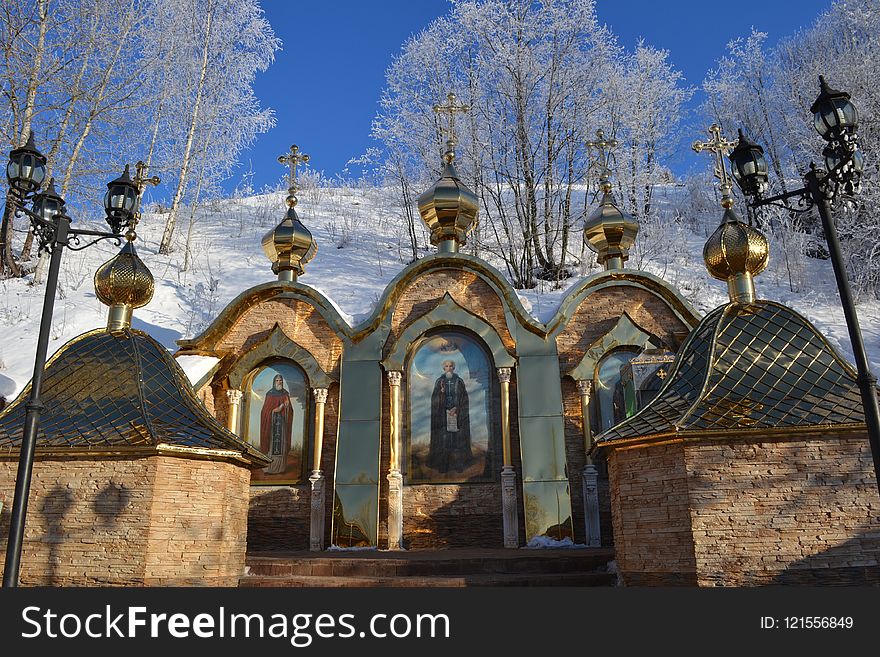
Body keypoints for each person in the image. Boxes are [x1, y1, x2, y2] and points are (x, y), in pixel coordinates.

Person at [428, 359, 472, 472]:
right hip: (443, 416)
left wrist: (457, 408)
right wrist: (441, 394)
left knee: (456, 441)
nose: (449, 368)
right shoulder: (439, 381)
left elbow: (464, 398)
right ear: (444, 368)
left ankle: (458, 465)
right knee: (444, 441)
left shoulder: (459, 381)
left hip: (456, 416)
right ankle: (443, 466)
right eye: (446, 366)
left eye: (451, 366)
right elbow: (434, 400)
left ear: (453, 368)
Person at [259, 373, 293, 474]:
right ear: (274, 382)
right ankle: (270, 467)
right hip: (271, 425)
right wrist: (273, 410)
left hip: (282, 425)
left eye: (281, 381)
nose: (279, 382)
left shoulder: (285, 394)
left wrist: (286, 407)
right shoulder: (269, 394)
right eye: (277, 381)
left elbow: (290, 410)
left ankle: (280, 467)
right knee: (271, 445)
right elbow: (264, 411)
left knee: (281, 445)